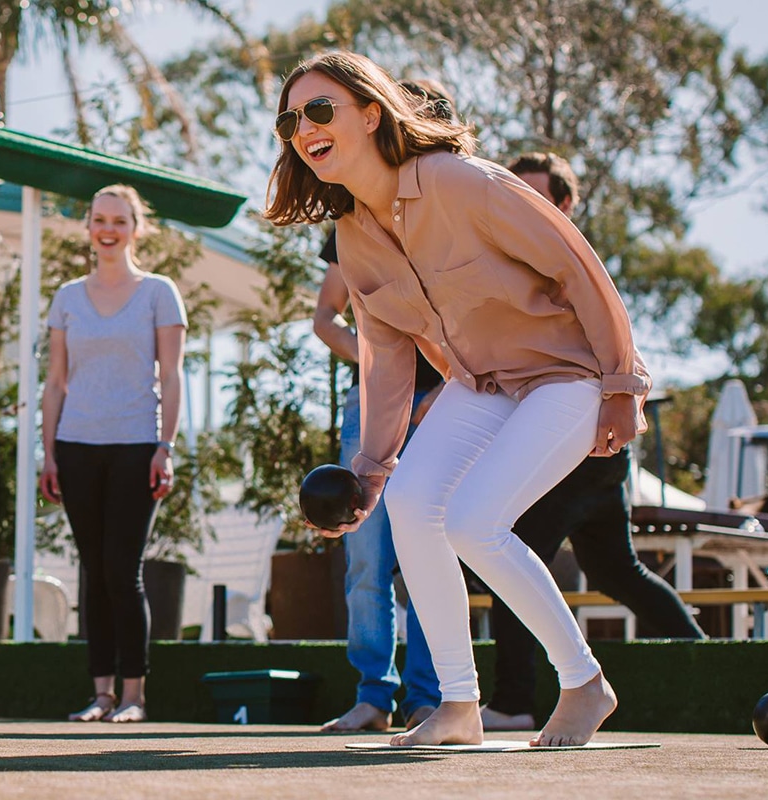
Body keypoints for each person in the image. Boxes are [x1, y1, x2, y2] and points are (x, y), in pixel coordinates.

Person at [265, 51, 649, 748]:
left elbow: (577, 263)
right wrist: (372, 469)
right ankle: (459, 708)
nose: (304, 127)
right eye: (291, 119)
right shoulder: (353, 237)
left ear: (372, 113)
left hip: (568, 374)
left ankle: (586, 683)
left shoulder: (457, 181)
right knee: (412, 506)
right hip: (484, 386)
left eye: (321, 109)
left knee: (475, 522)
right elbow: (386, 361)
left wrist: (623, 384)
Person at [478, 153, 706, 734]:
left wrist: (623, 396)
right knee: (616, 569)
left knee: (505, 548)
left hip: (586, 442)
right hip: (593, 452)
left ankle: (512, 700)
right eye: (517, 195)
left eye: (539, 196)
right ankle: (706, 657)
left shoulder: (567, 259)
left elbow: (612, 334)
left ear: (566, 204)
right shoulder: (513, 257)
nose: (526, 206)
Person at [312, 79, 454, 733]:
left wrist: (447, 387)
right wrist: (380, 363)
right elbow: (325, 319)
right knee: (367, 553)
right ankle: (375, 694)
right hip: (374, 405)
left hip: (456, 403)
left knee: (433, 547)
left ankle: (433, 696)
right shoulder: (355, 218)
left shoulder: (456, 207)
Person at [40, 184, 187, 724]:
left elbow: (171, 376)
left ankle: (133, 697)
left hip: (136, 446)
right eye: (99, 219)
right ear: (89, 227)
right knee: (92, 571)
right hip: (76, 449)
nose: (108, 229)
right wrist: (49, 453)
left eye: (119, 221)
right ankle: (100, 694)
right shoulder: (67, 298)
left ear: (135, 228)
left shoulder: (159, 293)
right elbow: (55, 382)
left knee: (122, 570)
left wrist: (165, 447)